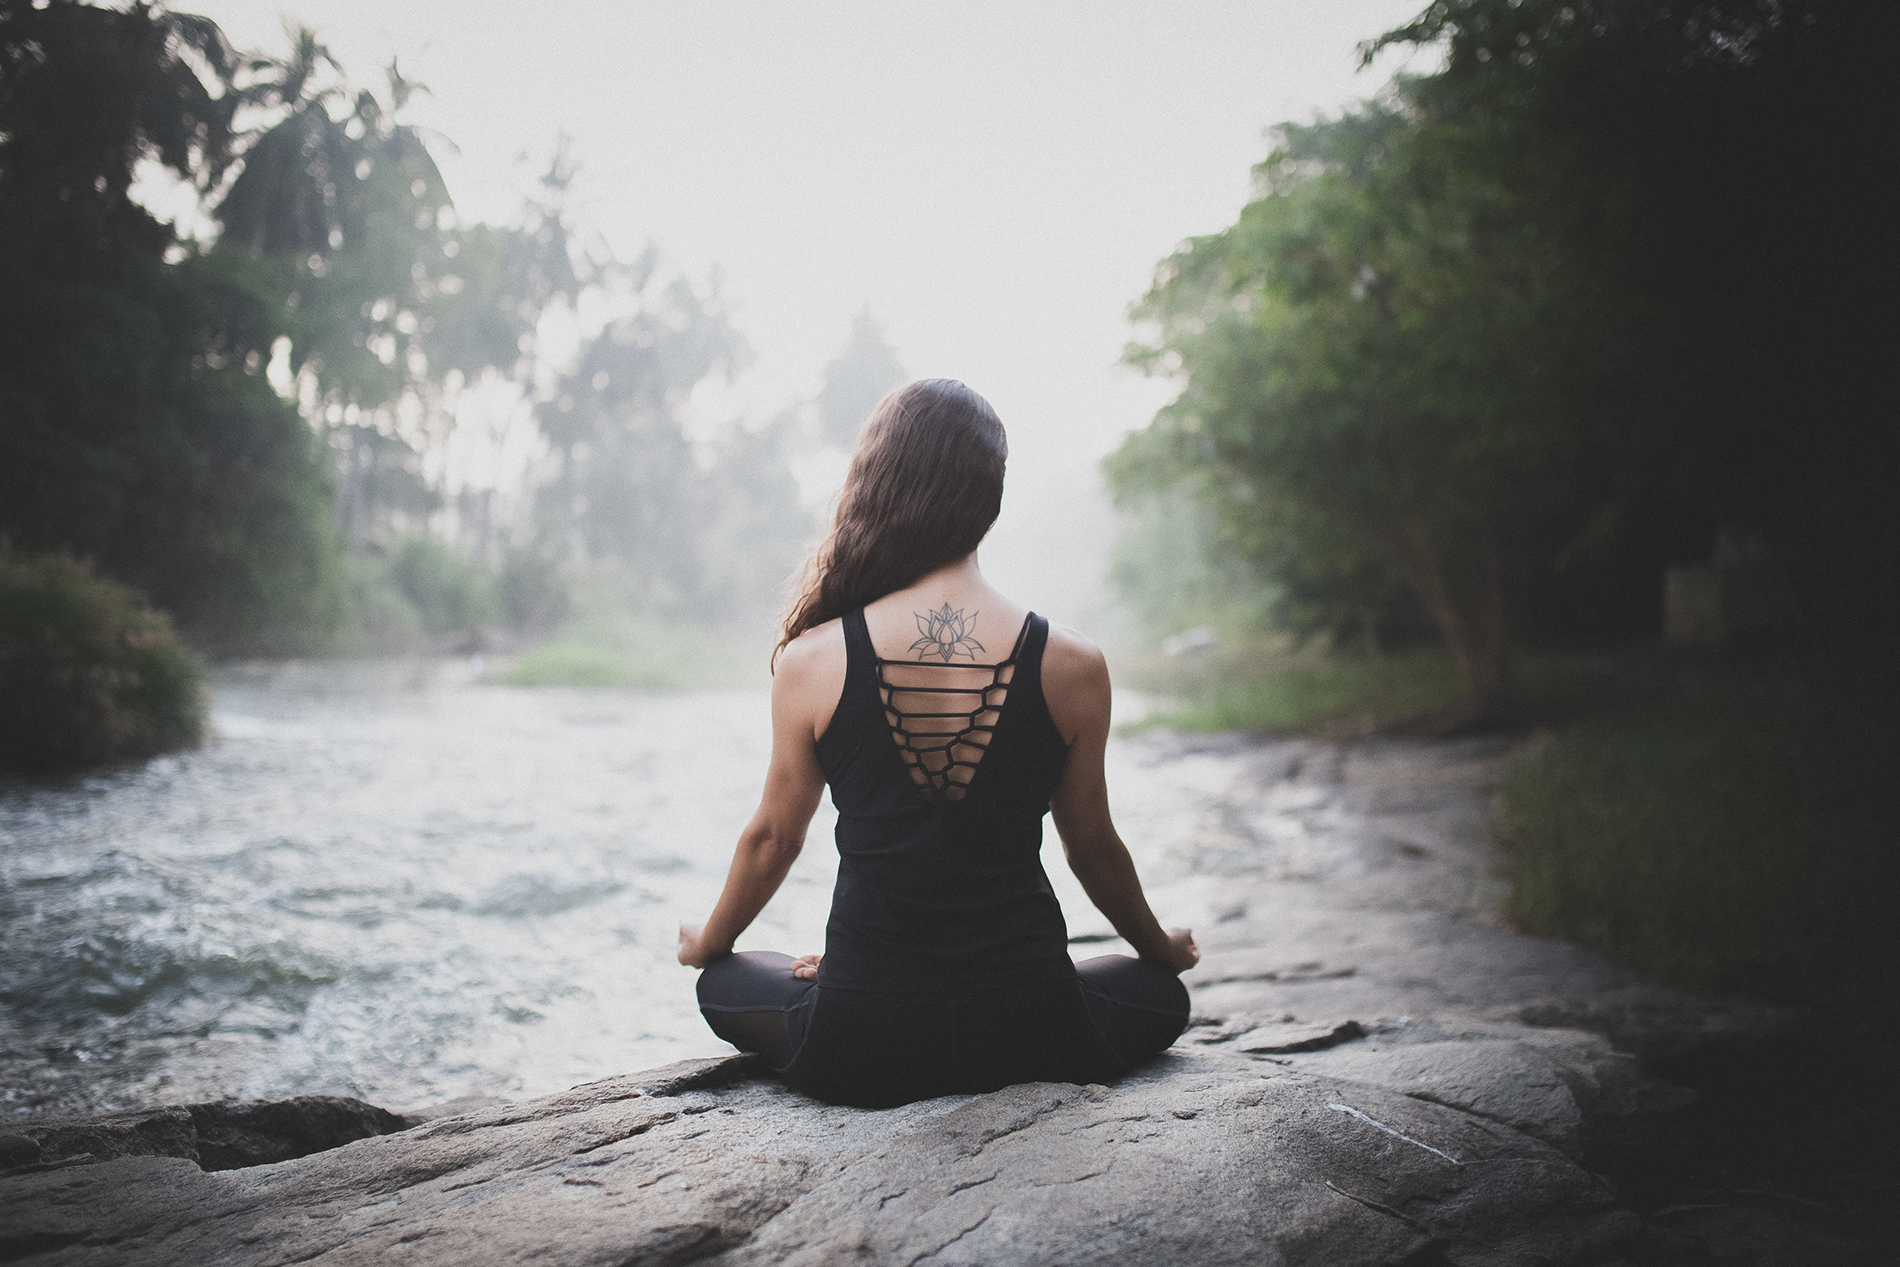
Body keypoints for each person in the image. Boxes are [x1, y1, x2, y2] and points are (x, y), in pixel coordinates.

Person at [677, 378, 1198, 1109]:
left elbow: (771, 840)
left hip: (863, 1039)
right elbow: (1094, 848)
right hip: (1032, 1030)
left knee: (725, 980)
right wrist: (1162, 949)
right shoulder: (1074, 663)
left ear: (877, 486)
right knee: (1152, 989)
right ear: (992, 494)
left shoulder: (815, 660)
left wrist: (707, 940)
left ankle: (848, 970)